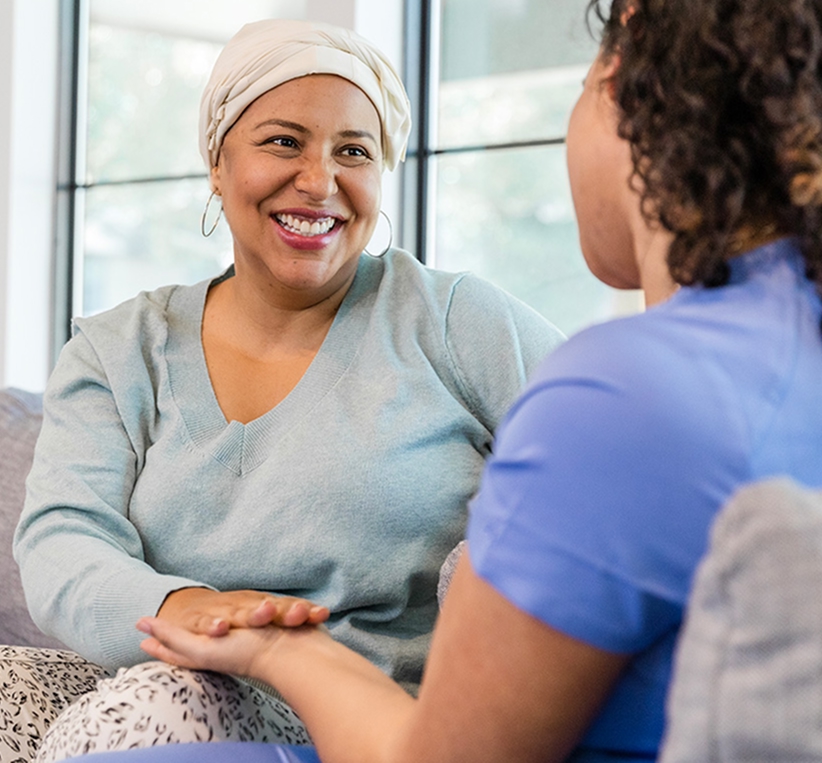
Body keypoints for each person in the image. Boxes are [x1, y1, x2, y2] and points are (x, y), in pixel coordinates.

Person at [129, 0, 822, 761]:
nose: (319, 179)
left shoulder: (619, 397)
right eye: (283, 142)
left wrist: (278, 646)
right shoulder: (782, 353)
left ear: (621, 83)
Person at [9, 18, 563, 763]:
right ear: (217, 161)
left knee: (166, 702)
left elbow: (607, 453)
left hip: (358, 720)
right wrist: (186, 607)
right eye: (283, 141)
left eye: (353, 151)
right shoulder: (118, 350)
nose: (319, 181)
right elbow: (62, 540)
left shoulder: (456, 320)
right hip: (148, 679)